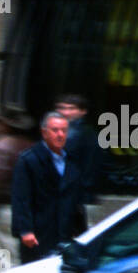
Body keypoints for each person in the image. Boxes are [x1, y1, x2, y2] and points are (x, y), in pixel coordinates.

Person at [11, 111, 88, 265]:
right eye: (55, 130)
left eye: (64, 131)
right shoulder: (29, 159)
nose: (60, 135)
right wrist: (26, 230)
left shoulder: (72, 161)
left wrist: (81, 232)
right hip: (38, 234)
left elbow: (76, 200)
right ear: (44, 133)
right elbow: (21, 198)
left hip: (64, 232)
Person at [0, 106, 36, 273]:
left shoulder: (1, 147)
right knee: (14, 252)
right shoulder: (35, 148)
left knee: (1, 254)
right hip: (27, 210)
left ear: (5, 124)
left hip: (4, 209)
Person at [54, 92, 103, 227]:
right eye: (62, 108)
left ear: (83, 112)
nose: (65, 112)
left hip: (78, 197)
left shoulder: (86, 134)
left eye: (71, 108)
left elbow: (91, 166)